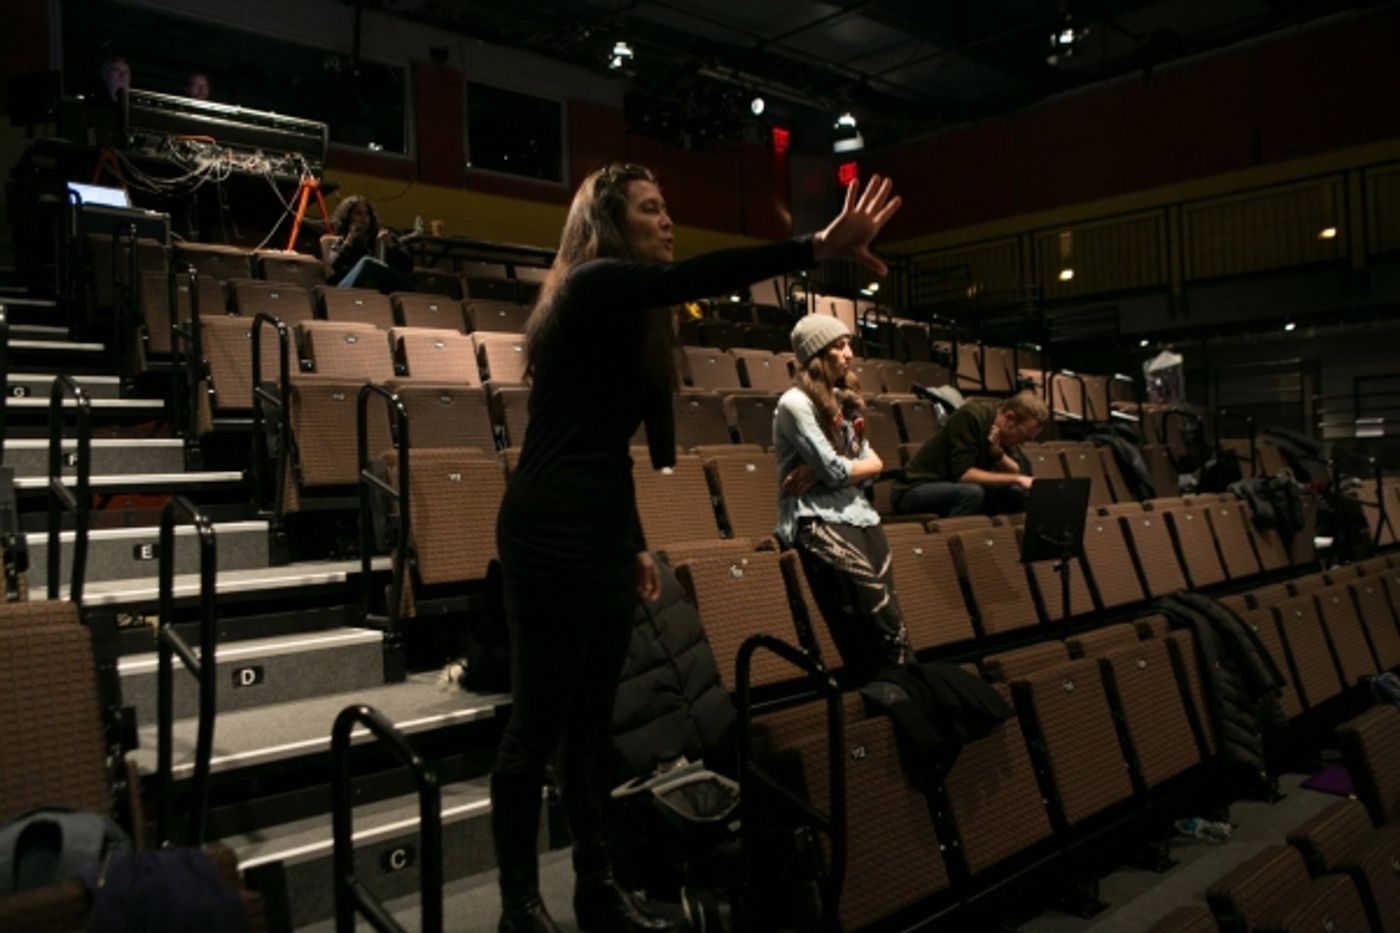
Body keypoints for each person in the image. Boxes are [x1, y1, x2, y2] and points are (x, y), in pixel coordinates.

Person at [492, 164, 900, 933]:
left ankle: (595, 888)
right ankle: (518, 907)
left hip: (599, 530)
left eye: (667, 203)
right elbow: (699, 278)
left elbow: (607, 450)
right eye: (650, 208)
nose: (667, 220)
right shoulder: (588, 288)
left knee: (589, 733)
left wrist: (635, 543)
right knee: (537, 728)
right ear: (611, 224)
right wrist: (814, 247)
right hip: (547, 528)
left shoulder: (634, 319)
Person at [774, 315, 911, 683]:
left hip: (860, 514)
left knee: (890, 617)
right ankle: (889, 703)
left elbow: (876, 463)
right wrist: (833, 469)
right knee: (874, 623)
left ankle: (907, 702)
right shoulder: (795, 403)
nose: (849, 354)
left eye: (849, 344)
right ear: (817, 354)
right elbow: (841, 469)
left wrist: (823, 469)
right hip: (817, 520)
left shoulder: (843, 402)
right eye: (838, 346)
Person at [892, 390, 1050, 517]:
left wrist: (998, 455)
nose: (1022, 443)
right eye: (1022, 436)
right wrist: (1016, 479)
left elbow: (1016, 470)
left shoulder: (1004, 429)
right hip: (915, 489)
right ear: (1010, 418)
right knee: (972, 493)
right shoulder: (972, 416)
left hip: (951, 487)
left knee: (1016, 494)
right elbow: (964, 475)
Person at [326, 195, 415, 293]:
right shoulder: (343, 242)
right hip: (351, 289)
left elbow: (408, 267)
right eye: (358, 214)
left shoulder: (383, 237)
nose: (363, 218)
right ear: (348, 217)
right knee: (367, 262)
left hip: (380, 288)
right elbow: (335, 266)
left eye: (366, 214)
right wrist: (349, 240)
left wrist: (392, 247)